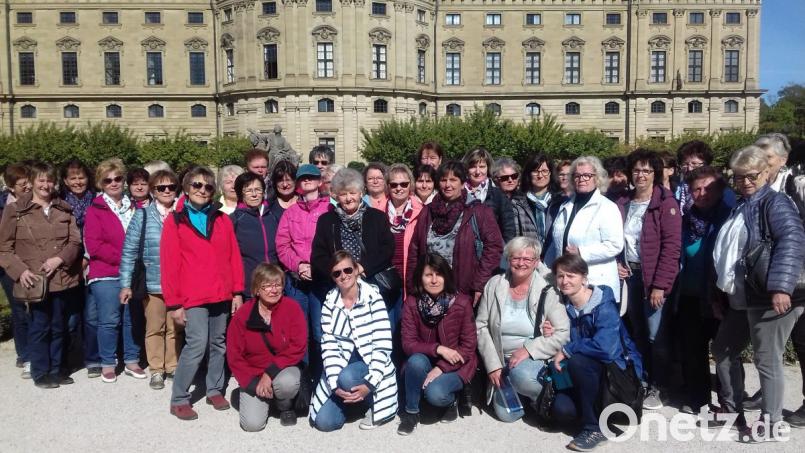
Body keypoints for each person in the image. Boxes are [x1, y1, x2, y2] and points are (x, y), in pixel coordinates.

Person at [712, 145, 805, 442]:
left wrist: (780, 286)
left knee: (767, 359)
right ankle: (731, 409)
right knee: (724, 349)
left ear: (766, 173)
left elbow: (791, 241)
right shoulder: (744, 204)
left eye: (751, 176)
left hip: (770, 295)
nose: (745, 182)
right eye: (739, 177)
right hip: (744, 296)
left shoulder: (776, 203)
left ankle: (771, 422)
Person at [160, 166, 245, 420]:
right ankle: (179, 398)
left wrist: (237, 291)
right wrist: (174, 304)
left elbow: (234, 257)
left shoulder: (221, 219)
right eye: (197, 185)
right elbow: (169, 264)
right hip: (192, 295)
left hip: (221, 293)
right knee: (197, 344)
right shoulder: (175, 221)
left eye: (208, 186)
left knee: (218, 343)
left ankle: (214, 389)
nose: (202, 190)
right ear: (186, 188)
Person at [0, 162, 83, 388]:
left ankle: (57, 368)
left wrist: (60, 259)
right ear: (33, 182)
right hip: (34, 280)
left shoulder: (63, 209)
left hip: (62, 278)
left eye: (49, 180)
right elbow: (4, 248)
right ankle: (40, 371)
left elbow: (75, 241)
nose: (46, 185)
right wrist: (20, 271)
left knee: (60, 325)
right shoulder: (15, 211)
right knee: (40, 326)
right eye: (41, 180)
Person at [550, 254, 643, 452]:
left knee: (577, 361)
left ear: (584, 278)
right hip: (589, 375)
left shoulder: (603, 305)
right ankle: (592, 414)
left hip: (617, 375)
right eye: (560, 276)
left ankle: (595, 428)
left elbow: (607, 349)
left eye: (571, 275)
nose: (565, 281)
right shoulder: (564, 307)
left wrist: (568, 349)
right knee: (561, 410)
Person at [476, 237, 570, 422]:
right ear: (508, 259)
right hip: (501, 360)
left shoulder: (548, 290)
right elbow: (481, 326)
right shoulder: (494, 284)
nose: (521, 263)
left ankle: (540, 399)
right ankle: (518, 389)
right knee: (508, 416)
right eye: (515, 258)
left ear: (536, 262)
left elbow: (563, 332)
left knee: (522, 376)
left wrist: (528, 349)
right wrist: (493, 364)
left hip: (532, 360)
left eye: (527, 259)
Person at [615, 149, 681, 410]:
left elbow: (671, 247)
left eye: (646, 170)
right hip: (629, 276)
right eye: (636, 170)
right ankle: (642, 378)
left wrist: (660, 286)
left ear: (656, 173)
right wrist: (618, 263)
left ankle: (660, 385)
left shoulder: (665, 203)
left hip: (652, 278)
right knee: (637, 331)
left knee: (656, 335)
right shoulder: (623, 202)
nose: (640, 175)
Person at [310, 251, 398, 431]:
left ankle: (370, 399)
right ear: (333, 278)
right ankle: (354, 402)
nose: (343, 276)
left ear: (356, 269)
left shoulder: (373, 297)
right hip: (341, 365)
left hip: (370, 365)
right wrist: (334, 385)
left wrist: (369, 384)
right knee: (324, 422)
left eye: (348, 270)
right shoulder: (329, 302)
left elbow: (382, 345)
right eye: (337, 273)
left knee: (348, 377)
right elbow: (329, 345)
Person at [674, 166, 733, 414]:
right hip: (689, 294)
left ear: (720, 189)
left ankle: (728, 399)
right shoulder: (686, 220)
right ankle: (697, 398)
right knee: (693, 349)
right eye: (696, 189)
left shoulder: (730, 217)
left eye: (708, 188)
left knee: (724, 351)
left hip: (720, 295)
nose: (702, 193)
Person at [398, 253, 477, 435]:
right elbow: (408, 344)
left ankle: (451, 401)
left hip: (457, 364)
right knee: (415, 360)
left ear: (446, 276)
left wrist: (441, 368)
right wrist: (438, 349)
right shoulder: (411, 303)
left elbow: (468, 346)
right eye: (428, 275)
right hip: (424, 360)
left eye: (438, 274)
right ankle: (411, 413)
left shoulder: (462, 303)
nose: (434, 280)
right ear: (421, 278)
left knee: (436, 394)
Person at [118, 170, 183, 390]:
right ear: (153, 191)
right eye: (161, 188)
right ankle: (156, 369)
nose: (167, 191)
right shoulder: (142, 215)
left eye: (171, 187)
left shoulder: (183, 214)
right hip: (153, 282)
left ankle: (172, 365)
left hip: (179, 283)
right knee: (155, 327)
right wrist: (125, 284)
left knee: (175, 328)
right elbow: (129, 251)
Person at [407, 161, 503, 306]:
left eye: (453, 180)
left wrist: (479, 284)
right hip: (429, 288)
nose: (447, 185)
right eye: (443, 180)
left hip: (463, 290)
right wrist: (413, 283)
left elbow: (494, 248)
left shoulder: (478, 211)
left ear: (463, 183)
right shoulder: (428, 211)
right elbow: (415, 249)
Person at [84, 158, 145, 383]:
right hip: (106, 272)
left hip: (132, 274)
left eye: (118, 178)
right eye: (108, 180)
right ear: (101, 183)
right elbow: (95, 245)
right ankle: (108, 362)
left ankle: (131, 359)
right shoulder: (95, 210)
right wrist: (126, 259)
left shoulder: (135, 206)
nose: (114, 183)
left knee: (132, 318)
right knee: (109, 319)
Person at [227, 263, 307, 430]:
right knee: (252, 425)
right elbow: (234, 356)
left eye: (278, 284)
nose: (274, 290)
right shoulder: (243, 315)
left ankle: (284, 405)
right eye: (267, 286)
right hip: (253, 374)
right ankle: (264, 398)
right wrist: (251, 383)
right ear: (257, 289)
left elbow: (298, 346)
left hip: (282, 369)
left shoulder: (292, 308)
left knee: (288, 383)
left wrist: (269, 374)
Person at [544, 156, 624, 302]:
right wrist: (545, 270)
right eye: (577, 175)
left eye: (587, 175)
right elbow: (557, 242)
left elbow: (615, 245)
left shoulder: (607, 207)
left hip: (595, 283)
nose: (582, 179)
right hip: (566, 283)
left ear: (597, 178)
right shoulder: (565, 205)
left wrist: (582, 252)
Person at [276, 164, 332, 343]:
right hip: (297, 280)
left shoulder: (331, 209)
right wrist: (299, 265)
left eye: (312, 177)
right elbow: (282, 245)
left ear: (320, 181)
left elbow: (335, 245)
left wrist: (317, 267)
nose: (307, 180)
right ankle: (301, 369)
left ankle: (323, 370)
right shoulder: (291, 213)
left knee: (321, 330)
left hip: (323, 279)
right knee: (298, 330)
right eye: (303, 177)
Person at [0, 163, 32, 377]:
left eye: (30, 181)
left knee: (40, 311)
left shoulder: (38, 202)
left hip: (36, 264)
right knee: (20, 311)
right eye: (23, 184)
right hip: (10, 267)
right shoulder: (4, 208)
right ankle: (25, 353)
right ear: (11, 187)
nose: (28, 186)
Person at [230, 172, 280, 301]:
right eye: (248, 191)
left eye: (258, 189)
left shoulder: (273, 216)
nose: (254, 194)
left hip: (275, 285)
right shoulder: (235, 219)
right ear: (241, 194)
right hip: (249, 287)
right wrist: (237, 291)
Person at [462, 147, 515, 243]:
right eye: (473, 166)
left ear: (488, 168)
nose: (477, 172)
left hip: (492, 251)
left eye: (482, 166)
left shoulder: (498, 195)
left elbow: (509, 229)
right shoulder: (458, 193)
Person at [385, 164, 423, 292]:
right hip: (386, 279)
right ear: (388, 186)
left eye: (404, 184)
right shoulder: (377, 212)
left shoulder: (421, 212)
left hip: (411, 278)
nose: (399, 188)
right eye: (394, 185)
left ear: (410, 185)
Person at [512, 154, 560, 246]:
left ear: (550, 173)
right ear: (528, 174)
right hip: (528, 254)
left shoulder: (559, 201)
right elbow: (516, 235)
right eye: (535, 171)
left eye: (544, 171)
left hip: (554, 254)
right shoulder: (518, 202)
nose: (540, 175)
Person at [675, 140, 713, 214]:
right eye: (685, 164)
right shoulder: (677, 188)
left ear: (706, 165)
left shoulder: (715, 190)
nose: (689, 168)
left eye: (694, 164)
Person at [60, 159, 95, 231]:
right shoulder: (59, 202)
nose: (78, 182)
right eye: (73, 178)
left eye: (81, 178)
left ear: (88, 179)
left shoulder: (97, 200)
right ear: (66, 181)